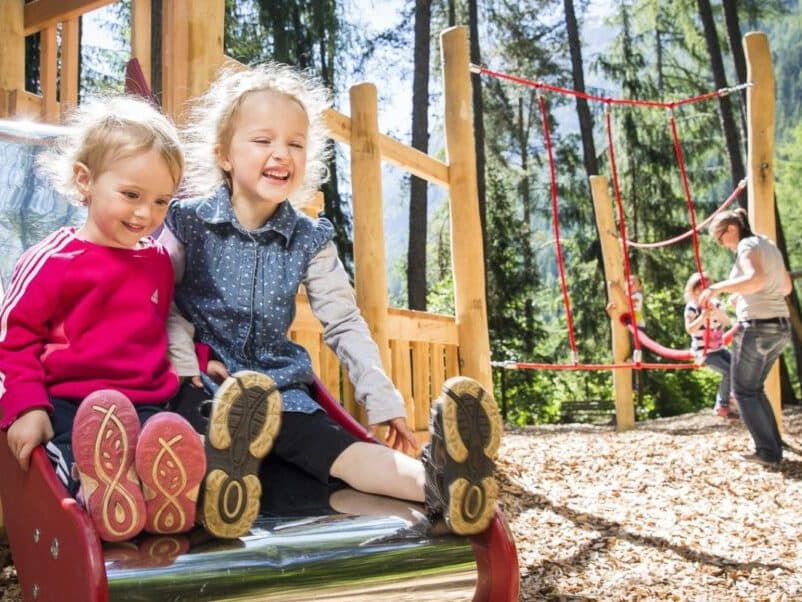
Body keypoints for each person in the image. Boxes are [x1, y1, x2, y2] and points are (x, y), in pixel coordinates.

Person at [160, 63, 503, 539]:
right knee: (191, 436)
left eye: (295, 144)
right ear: (223, 154)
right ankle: (222, 486)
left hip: (279, 393)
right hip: (204, 386)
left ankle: (443, 482)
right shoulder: (186, 222)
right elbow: (166, 303)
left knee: (348, 455)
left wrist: (382, 400)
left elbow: (342, 320)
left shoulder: (308, 238)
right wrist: (184, 365)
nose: (281, 153)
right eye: (263, 141)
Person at [0, 96, 207, 542]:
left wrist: (201, 357)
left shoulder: (157, 261)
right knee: (80, 451)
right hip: (71, 404)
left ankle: (158, 496)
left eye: (160, 201)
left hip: (148, 402)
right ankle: (103, 491)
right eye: (131, 195)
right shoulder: (55, 260)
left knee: (164, 440)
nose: (144, 214)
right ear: (85, 181)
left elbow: (161, 324)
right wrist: (27, 405)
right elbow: (12, 340)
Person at [699, 208, 792, 466]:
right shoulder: (768, 245)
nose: (722, 245)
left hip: (757, 327)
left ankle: (768, 452)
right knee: (753, 389)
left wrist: (717, 287)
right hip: (780, 327)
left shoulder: (746, 245)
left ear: (731, 229)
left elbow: (756, 278)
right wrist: (743, 294)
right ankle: (774, 444)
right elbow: (784, 286)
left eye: (720, 238)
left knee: (742, 391)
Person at [683, 272, 736, 418]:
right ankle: (722, 405)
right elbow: (690, 329)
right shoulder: (692, 308)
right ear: (692, 291)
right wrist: (702, 317)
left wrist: (716, 312)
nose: (701, 293)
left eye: (705, 289)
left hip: (719, 348)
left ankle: (733, 396)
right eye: (698, 290)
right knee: (728, 371)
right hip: (704, 352)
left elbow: (726, 321)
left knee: (739, 366)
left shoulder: (716, 304)